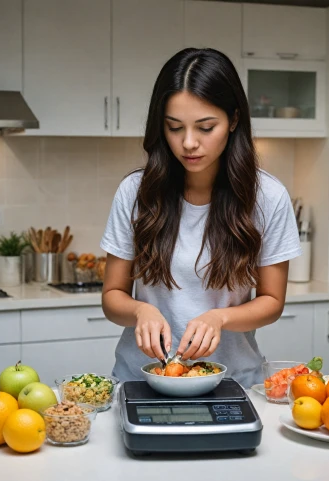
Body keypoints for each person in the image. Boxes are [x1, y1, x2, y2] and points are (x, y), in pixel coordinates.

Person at [100, 48, 302, 388]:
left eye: (205, 127)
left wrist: (220, 318)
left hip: (233, 382)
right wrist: (139, 311)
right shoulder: (135, 192)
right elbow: (112, 296)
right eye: (174, 127)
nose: (189, 143)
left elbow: (272, 301)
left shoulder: (267, 197)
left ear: (233, 120)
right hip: (142, 380)